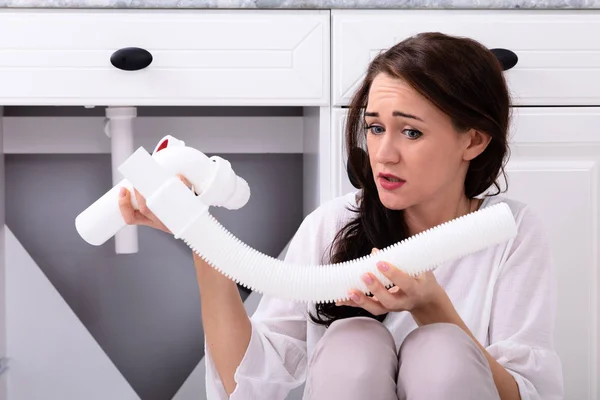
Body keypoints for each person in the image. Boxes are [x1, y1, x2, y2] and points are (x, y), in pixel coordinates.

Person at [118, 32, 564, 400]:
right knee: (353, 342)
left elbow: (526, 394)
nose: (384, 155)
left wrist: (433, 308)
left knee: (442, 349)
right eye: (374, 128)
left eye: (411, 131)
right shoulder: (331, 226)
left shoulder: (511, 234)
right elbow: (247, 384)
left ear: (473, 142)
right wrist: (202, 236)